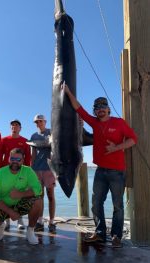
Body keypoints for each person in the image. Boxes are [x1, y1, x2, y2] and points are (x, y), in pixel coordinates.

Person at [63, 84, 137, 248]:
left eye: (103, 107)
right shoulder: (94, 123)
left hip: (117, 172)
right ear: (95, 111)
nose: (100, 110)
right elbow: (79, 108)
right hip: (100, 171)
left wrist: (116, 148)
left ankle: (116, 236)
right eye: (97, 108)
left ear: (108, 109)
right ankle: (100, 233)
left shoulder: (119, 123)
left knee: (117, 205)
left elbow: (133, 139)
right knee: (96, 203)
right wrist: (68, 92)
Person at [0, 148, 42, 245]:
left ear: (23, 161)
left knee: (38, 201)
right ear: (8, 159)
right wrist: (10, 212)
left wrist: (21, 194)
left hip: (20, 205)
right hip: (3, 207)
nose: (15, 162)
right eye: (12, 159)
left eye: (18, 160)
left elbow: (38, 190)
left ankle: (30, 231)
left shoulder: (28, 171)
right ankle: (0, 226)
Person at [0, 119, 31, 230]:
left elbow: (28, 158)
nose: (14, 127)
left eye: (16, 125)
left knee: (19, 194)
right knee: (5, 194)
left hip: (20, 172)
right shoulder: (4, 140)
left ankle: (20, 219)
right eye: (12, 125)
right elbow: (0, 156)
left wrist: (26, 171)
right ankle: (6, 220)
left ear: (20, 128)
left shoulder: (25, 141)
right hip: (6, 172)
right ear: (10, 128)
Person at [30, 114, 57, 234]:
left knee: (51, 196)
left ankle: (51, 221)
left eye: (40, 121)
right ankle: (40, 221)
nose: (38, 123)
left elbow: (56, 150)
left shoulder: (52, 132)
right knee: (39, 196)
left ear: (45, 122)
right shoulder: (34, 136)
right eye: (36, 122)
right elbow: (33, 153)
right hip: (37, 169)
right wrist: (31, 169)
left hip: (49, 169)